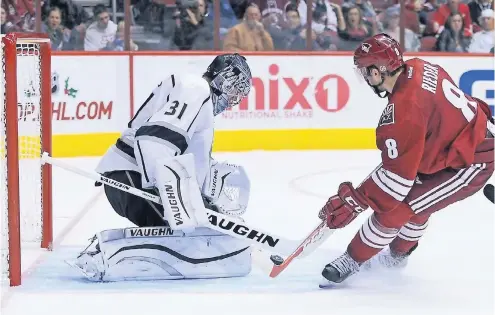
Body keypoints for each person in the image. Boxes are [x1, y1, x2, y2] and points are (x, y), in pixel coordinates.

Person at [318, 33, 494, 285]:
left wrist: (356, 200)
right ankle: (397, 255)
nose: (366, 79)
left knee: (401, 207)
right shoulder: (419, 65)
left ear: (378, 71)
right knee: (420, 202)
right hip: (453, 144)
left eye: (366, 72)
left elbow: (396, 183)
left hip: (470, 162)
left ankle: (353, 260)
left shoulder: (404, 109)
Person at [67, 53, 254, 282]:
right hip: (132, 178)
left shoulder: (198, 99)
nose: (233, 99)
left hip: (133, 177)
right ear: (223, 80)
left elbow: (180, 153)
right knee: (195, 239)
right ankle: (105, 256)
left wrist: (206, 201)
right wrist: (175, 195)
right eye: (235, 89)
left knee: (202, 233)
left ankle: (107, 251)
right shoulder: (196, 89)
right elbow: (152, 140)